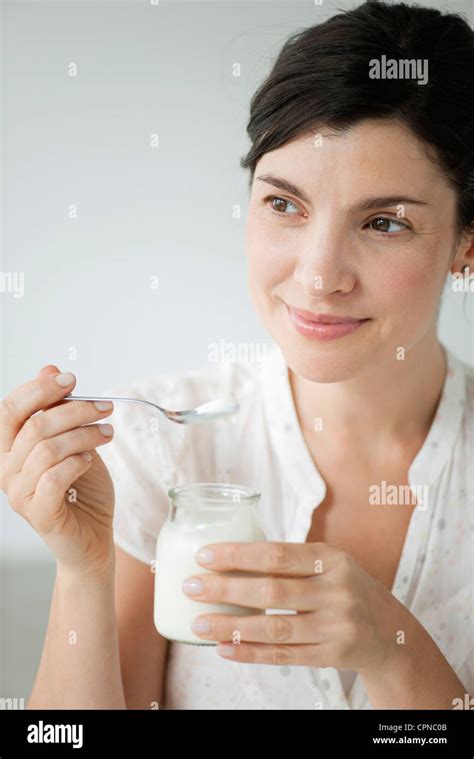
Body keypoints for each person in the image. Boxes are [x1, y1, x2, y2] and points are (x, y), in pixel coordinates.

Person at [1, 0, 472, 710]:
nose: (319, 275)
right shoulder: (158, 447)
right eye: (285, 205)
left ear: (467, 243)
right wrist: (84, 570)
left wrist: (392, 646)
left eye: (383, 223)